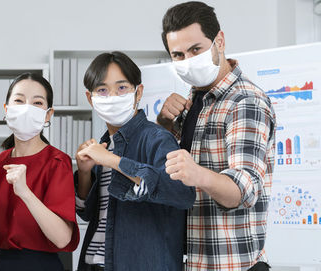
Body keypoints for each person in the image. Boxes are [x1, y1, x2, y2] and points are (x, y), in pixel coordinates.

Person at [157, 2, 276, 270]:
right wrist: (164, 125)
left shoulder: (245, 102)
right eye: (178, 54)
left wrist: (197, 173)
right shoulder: (195, 100)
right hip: (192, 261)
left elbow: (243, 191)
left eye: (195, 49)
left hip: (231, 264)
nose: (187, 60)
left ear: (219, 41)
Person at [74, 52, 195, 271]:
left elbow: (182, 194)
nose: (112, 96)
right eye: (102, 90)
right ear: (91, 98)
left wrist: (113, 161)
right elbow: (87, 214)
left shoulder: (157, 138)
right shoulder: (103, 145)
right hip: (94, 264)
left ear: (138, 92)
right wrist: (83, 173)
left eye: (122, 88)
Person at [0, 73, 79, 271]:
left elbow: (62, 239)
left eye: (37, 103)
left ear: (48, 114)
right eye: (19, 100)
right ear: (6, 109)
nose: (27, 108)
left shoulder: (57, 162)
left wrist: (25, 192)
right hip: (3, 264)